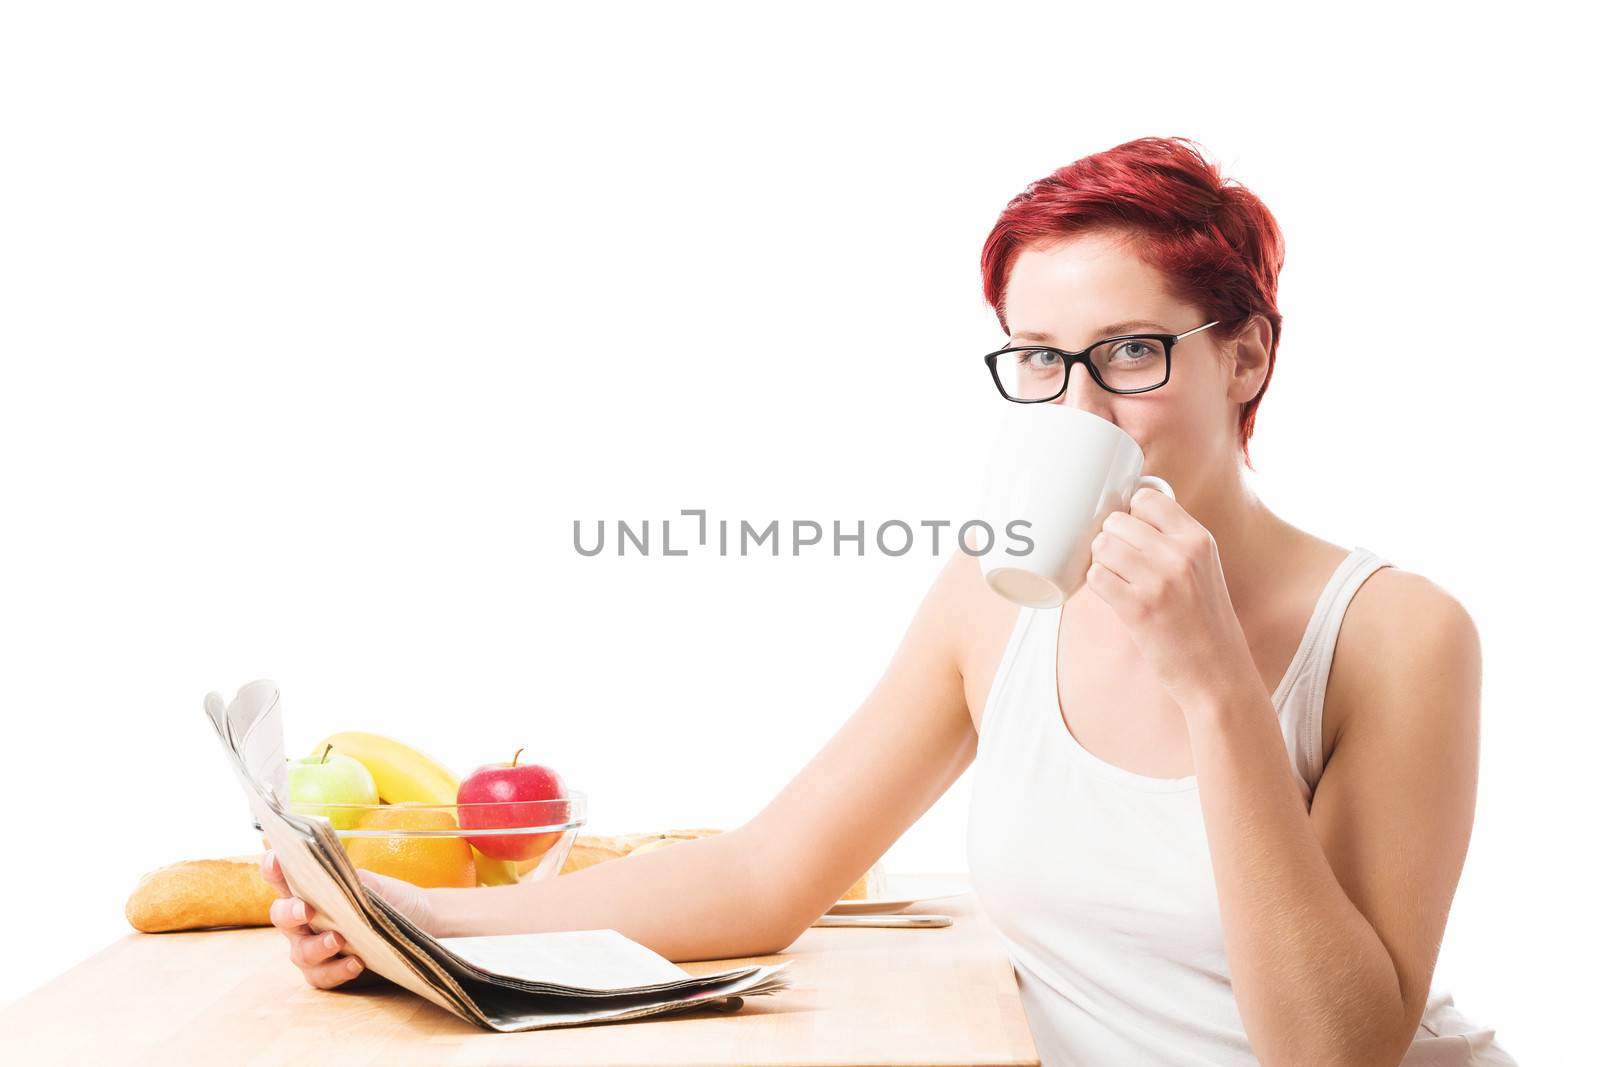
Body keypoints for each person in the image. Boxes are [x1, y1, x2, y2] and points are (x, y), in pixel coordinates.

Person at [263, 136, 1518, 1066]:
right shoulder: (992, 595)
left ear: (1244, 353)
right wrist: (423, 919)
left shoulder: (1398, 631)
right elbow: (764, 874)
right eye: (1040, 360)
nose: (1080, 411)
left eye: (1131, 353)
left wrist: (1215, 686)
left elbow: (1333, 1051)